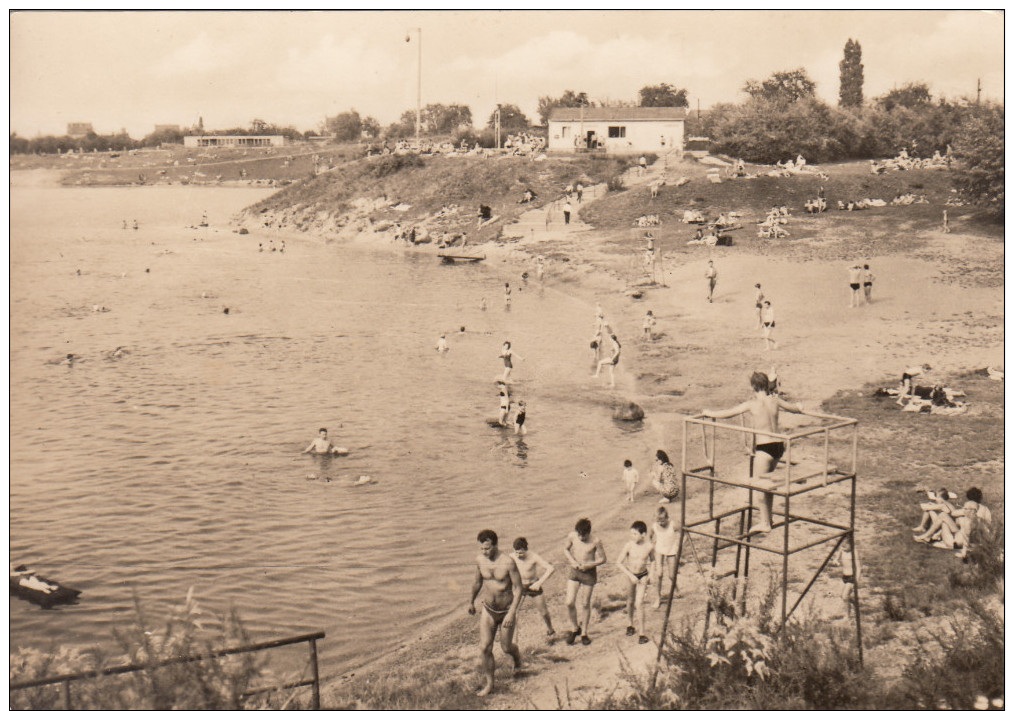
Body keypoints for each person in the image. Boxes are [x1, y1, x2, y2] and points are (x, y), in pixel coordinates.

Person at [702, 372, 805, 533]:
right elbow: (794, 409)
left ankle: (765, 523)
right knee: (767, 484)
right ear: (766, 385)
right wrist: (799, 407)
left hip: (764, 447)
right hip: (778, 446)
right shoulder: (775, 400)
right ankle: (768, 519)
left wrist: (709, 413)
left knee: (759, 486)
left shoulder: (752, 404)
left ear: (753, 387)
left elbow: (728, 413)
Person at [468, 530, 523, 697]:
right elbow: (477, 582)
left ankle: (517, 657)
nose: (484, 552)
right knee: (484, 647)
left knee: (506, 647)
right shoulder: (479, 560)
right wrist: (471, 601)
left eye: (487, 548)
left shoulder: (508, 562)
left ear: (495, 545)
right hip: (489, 609)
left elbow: (519, 588)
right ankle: (490, 684)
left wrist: (512, 613)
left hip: (506, 610)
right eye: (482, 549)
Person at [563, 518, 607, 645]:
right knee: (569, 602)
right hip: (575, 571)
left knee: (585, 603)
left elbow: (603, 559)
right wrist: (572, 562)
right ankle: (575, 628)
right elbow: (565, 550)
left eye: (583, 535)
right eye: (579, 534)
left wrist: (589, 565)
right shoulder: (572, 536)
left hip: (589, 573)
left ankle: (584, 633)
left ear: (589, 532)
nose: (581, 537)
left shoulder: (596, 541)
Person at [617, 521, 655, 644]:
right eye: (631, 533)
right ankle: (630, 624)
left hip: (642, 576)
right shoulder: (629, 545)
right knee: (630, 601)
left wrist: (651, 574)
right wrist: (630, 575)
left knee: (639, 603)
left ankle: (642, 634)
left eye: (634, 534)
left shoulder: (649, 546)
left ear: (643, 534)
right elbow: (618, 562)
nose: (632, 536)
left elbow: (653, 560)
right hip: (630, 575)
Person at [510, 537, 556, 638]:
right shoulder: (511, 557)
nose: (518, 555)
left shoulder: (533, 556)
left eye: (521, 553)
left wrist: (539, 583)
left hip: (533, 586)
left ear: (526, 550)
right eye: (516, 552)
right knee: (514, 613)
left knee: (544, 613)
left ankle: (550, 630)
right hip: (520, 587)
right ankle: (514, 641)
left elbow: (551, 568)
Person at [651, 506, 681, 608]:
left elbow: (684, 533)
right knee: (659, 574)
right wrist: (652, 544)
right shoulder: (654, 526)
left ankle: (676, 588)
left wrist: (679, 545)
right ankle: (657, 598)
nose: (661, 523)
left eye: (663, 521)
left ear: (667, 518)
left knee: (672, 575)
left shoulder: (673, 524)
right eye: (658, 521)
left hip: (671, 550)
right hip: (659, 550)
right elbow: (650, 536)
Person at [836, 536, 860, 618]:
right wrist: (836, 562)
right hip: (844, 576)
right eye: (842, 545)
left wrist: (856, 582)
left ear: (851, 545)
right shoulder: (842, 551)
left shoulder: (854, 552)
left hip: (851, 577)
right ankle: (855, 604)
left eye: (845, 545)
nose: (843, 547)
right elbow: (835, 559)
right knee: (841, 595)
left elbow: (859, 568)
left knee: (844, 596)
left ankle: (847, 616)